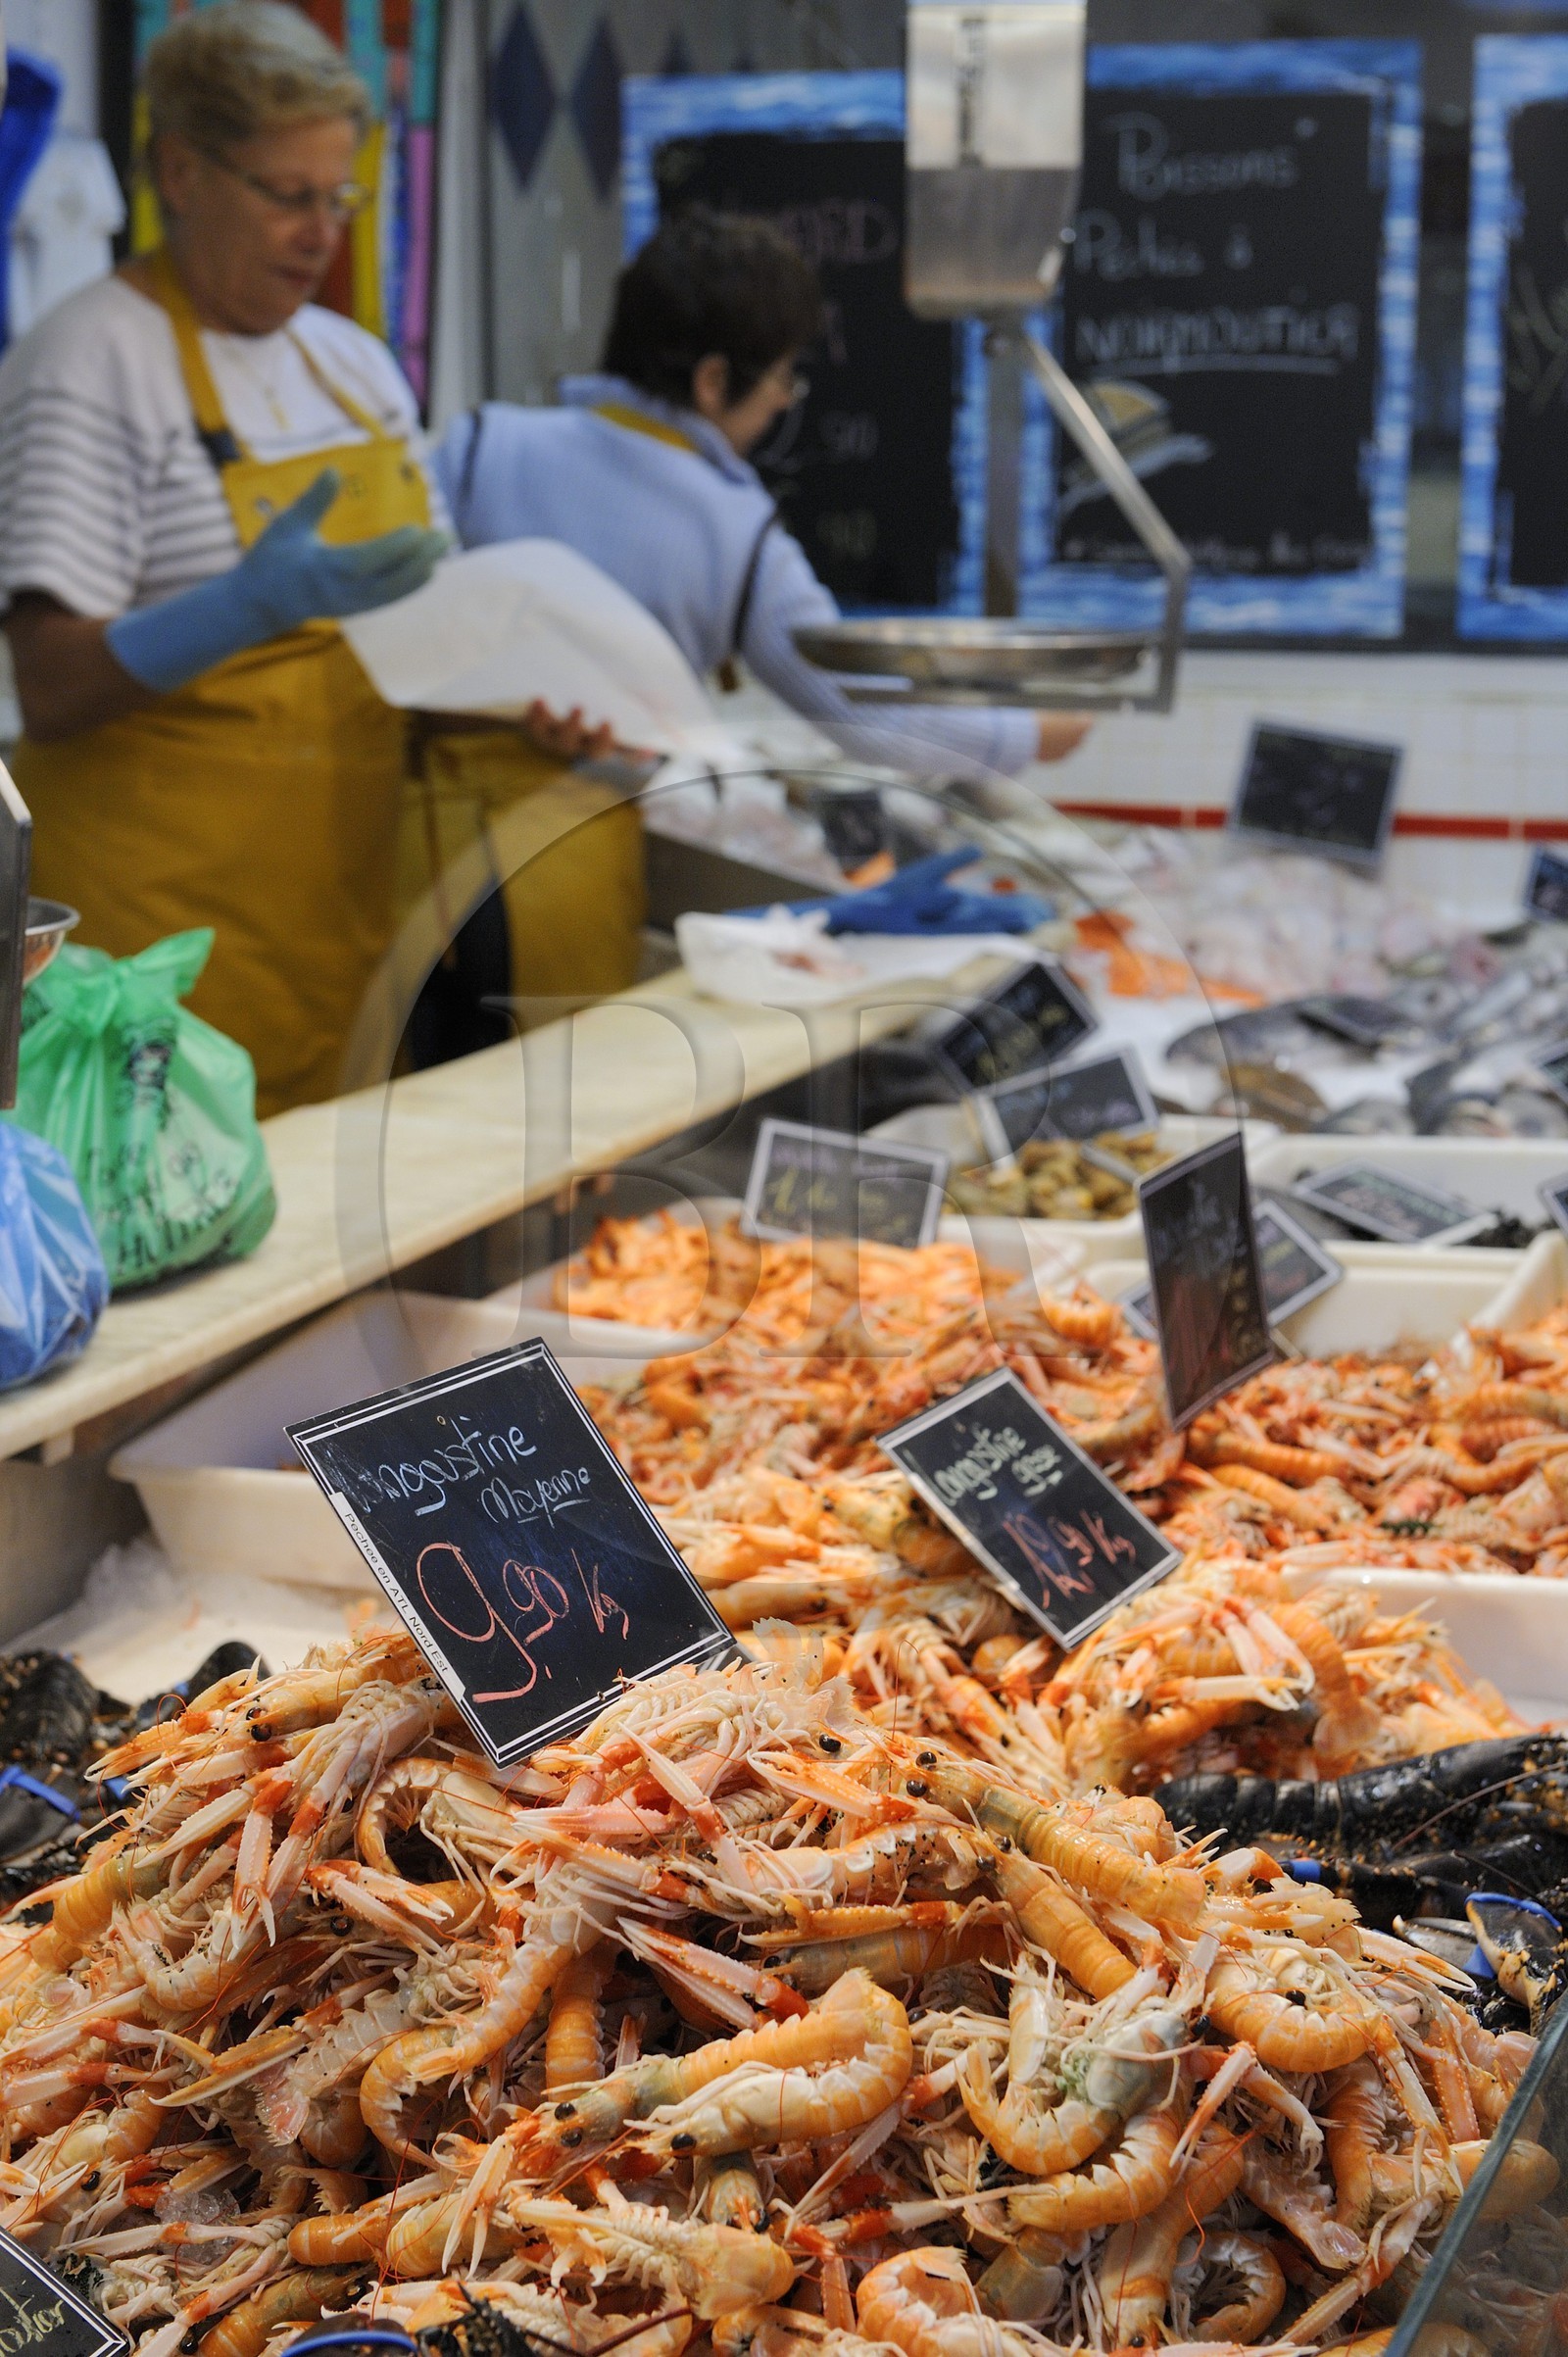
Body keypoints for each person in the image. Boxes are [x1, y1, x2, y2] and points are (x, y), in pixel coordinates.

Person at [0, 4, 622, 1116]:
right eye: (289, 195)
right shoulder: (91, 360)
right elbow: (48, 684)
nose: (320, 231)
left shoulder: (356, 369)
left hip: (328, 928)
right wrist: (243, 606)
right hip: (147, 952)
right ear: (183, 172)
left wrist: (525, 705)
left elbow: (432, 644)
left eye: (342, 197)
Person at [436, 206, 1091, 786]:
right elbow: (869, 714)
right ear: (713, 381)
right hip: (574, 847)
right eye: (781, 377)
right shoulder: (735, 535)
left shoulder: (476, 445)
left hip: (417, 836)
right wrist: (1036, 732)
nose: (783, 399)